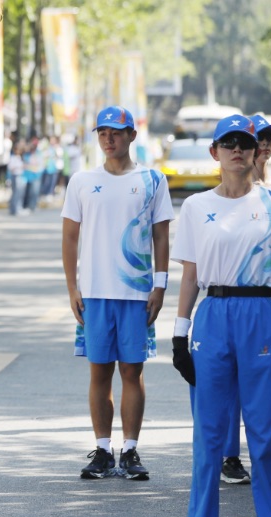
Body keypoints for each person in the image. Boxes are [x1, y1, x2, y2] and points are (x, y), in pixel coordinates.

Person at [171, 114, 271, 517]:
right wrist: (179, 333)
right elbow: (189, 275)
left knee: (264, 434)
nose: (237, 150)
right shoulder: (193, 207)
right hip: (213, 316)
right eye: (227, 143)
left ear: (255, 151)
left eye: (245, 143)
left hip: (260, 316)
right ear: (214, 152)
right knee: (209, 433)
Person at [61, 105, 173, 481]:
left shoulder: (153, 180)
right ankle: (103, 449)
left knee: (132, 370)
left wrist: (160, 284)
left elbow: (161, 236)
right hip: (94, 292)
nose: (109, 139)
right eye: (103, 133)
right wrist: (72, 287)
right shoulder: (80, 181)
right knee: (98, 372)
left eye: (117, 132)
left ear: (131, 136)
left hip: (137, 291)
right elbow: (70, 236)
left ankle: (130, 449)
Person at [219, 115, 271, 485]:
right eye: (260, 138)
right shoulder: (231, 191)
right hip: (238, 300)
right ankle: (230, 456)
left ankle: (270, 455)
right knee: (235, 379)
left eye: (269, 139)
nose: (265, 145)